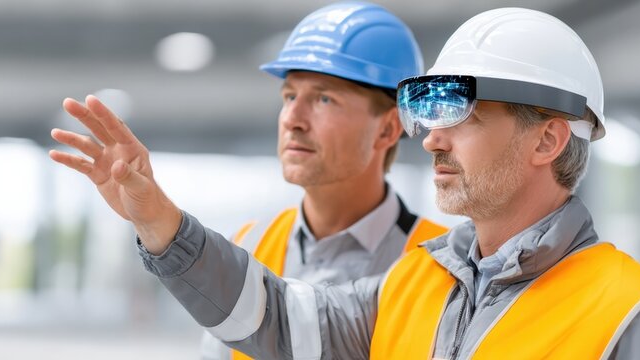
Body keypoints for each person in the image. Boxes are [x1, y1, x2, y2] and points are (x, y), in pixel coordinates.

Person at [50, 7, 640, 360]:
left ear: (547, 139)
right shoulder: (413, 282)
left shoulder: (629, 316)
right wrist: (156, 217)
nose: (432, 138)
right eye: (429, 114)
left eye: (460, 115)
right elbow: (275, 319)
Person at [49, 2, 446, 359]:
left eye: (324, 98)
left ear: (388, 129)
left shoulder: (434, 270)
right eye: (290, 96)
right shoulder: (251, 245)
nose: (294, 118)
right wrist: (152, 219)